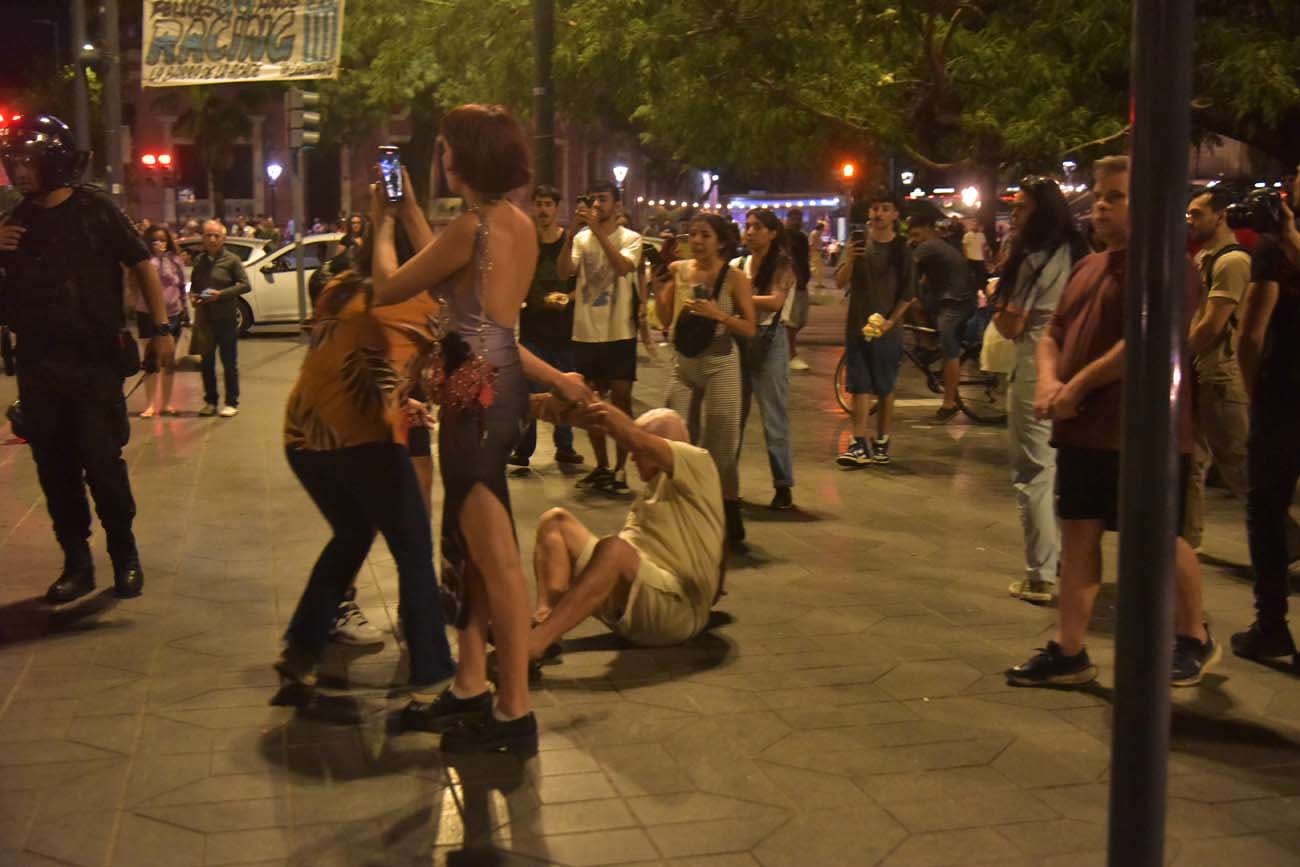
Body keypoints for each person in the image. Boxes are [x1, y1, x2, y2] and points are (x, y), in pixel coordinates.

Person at [369, 104, 591, 755]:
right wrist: (409, 211)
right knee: (470, 553)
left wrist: (382, 227)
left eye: (444, 149)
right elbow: (470, 302)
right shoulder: (512, 224)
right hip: (495, 388)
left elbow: (389, 287)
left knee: (493, 557)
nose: (440, 159)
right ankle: (470, 685)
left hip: (475, 400)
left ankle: (513, 708)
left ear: (464, 158)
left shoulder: (473, 227)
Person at [1005, 155, 1220, 689]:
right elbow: (1052, 331)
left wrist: (1074, 387)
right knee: (1079, 532)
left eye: (1115, 196)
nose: (1100, 204)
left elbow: (1146, 344)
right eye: (1099, 194)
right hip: (1082, 429)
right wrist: (1052, 382)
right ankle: (1069, 649)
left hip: (1143, 430)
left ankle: (1192, 636)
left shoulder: (1168, 266)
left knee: (1160, 537)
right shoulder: (1088, 265)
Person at [0, 113, 176, 603]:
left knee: (103, 465)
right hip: (38, 366)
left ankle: (125, 554)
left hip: (94, 363)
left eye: (28, 161)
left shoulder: (96, 208)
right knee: (54, 470)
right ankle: (77, 562)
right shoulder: (13, 222)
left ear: (55, 161)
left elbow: (141, 261)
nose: (20, 171)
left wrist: (160, 330)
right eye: (13, 161)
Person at [527, 403, 724, 656]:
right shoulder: (658, 484)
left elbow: (634, 437)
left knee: (615, 550)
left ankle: (534, 645)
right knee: (555, 522)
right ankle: (545, 621)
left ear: (660, 447)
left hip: (675, 612)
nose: (632, 457)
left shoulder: (697, 462)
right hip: (640, 594)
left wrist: (583, 401)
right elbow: (720, 535)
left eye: (637, 451)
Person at [999, 177, 1085, 604]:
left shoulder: (1034, 259)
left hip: (1036, 358)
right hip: (1076, 361)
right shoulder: (1081, 254)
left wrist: (995, 304)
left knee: (1033, 471)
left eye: (1022, 208)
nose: (1015, 215)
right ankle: (1069, 564)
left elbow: (1012, 323)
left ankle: (1040, 574)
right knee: (1062, 468)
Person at [654, 213, 756, 547]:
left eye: (705, 235)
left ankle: (728, 510)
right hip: (684, 362)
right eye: (693, 234)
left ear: (722, 241)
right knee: (676, 434)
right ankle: (680, 509)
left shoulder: (735, 278)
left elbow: (750, 328)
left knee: (722, 441)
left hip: (721, 361)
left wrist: (720, 315)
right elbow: (666, 320)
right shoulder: (679, 270)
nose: (696, 241)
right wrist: (662, 290)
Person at [1231, 166, 1300, 662]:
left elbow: (1250, 335)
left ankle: (1272, 625)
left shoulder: (1274, 251)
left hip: (1282, 397)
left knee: (1267, 509)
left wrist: (1257, 394)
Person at [1184, 189, 1264, 553]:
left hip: (1219, 375)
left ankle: (1283, 544)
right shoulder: (1206, 256)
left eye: (1197, 213)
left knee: (1239, 467)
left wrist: (1179, 357)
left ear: (1219, 216)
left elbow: (1211, 325)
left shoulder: (1232, 262)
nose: (1191, 220)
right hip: (1202, 372)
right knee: (1191, 463)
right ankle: (1187, 542)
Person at [557, 180, 644, 494]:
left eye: (603, 200)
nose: (596, 205)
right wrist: (570, 236)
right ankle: (602, 465)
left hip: (619, 330)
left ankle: (621, 468)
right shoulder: (581, 238)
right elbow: (564, 272)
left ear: (617, 205)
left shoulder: (631, 238)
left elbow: (622, 268)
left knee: (621, 401)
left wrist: (597, 232)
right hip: (586, 330)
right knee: (589, 401)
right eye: (592, 199)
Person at [835, 193, 916, 467]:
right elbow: (838, 282)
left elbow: (908, 294)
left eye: (885, 208)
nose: (878, 213)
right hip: (857, 325)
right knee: (859, 386)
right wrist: (849, 258)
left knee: (884, 387)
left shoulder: (901, 249)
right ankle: (858, 443)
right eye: (874, 207)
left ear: (895, 215)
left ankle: (882, 441)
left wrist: (891, 322)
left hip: (887, 330)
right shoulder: (857, 246)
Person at [511, 185, 585, 468]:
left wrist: (568, 298)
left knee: (564, 387)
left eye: (548, 204)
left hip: (563, 329)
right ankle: (523, 449)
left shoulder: (570, 241)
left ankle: (564, 446)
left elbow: (580, 285)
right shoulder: (526, 242)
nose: (542, 209)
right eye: (538, 204)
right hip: (532, 327)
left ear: (556, 208)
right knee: (528, 390)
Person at [736, 208, 796, 510]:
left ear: (772, 233)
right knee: (732, 416)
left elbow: (775, 302)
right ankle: (725, 483)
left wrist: (740, 295)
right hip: (740, 341)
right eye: (747, 226)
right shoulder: (738, 263)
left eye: (757, 227)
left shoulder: (782, 265)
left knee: (774, 416)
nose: (749, 232)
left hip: (770, 342)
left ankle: (783, 485)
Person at [908, 215, 975, 420]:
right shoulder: (938, 246)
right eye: (911, 236)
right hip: (944, 297)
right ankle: (929, 345)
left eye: (917, 234)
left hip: (956, 301)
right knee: (912, 305)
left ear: (929, 230)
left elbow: (907, 266)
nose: (914, 239)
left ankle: (950, 402)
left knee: (949, 348)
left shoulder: (929, 246)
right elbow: (921, 277)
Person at [190, 220, 249, 417]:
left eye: (216, 236)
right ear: (203, 238)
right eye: (208, 235)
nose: (212, 239)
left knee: (229, 362)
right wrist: (194, 296)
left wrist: (221, 295)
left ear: (223, 238)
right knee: (206, 363)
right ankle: (211, 401)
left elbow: (244, 285)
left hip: (226, 318)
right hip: (205, 319)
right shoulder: (199, 261)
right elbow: (195, 285)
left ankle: (231, 402)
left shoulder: (232, 260)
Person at [134, 225, 187, 418]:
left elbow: (181, 286)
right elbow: (141, 282)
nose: (159, 243)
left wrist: (186, 311)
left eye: (163, 239)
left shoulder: (175, 261)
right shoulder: (145, 261)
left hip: (173, 314)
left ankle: (165, 403)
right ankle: (150, 404)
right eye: (154, 240)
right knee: (150, 360)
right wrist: (156, 258)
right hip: (147, 314)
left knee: (169, 360)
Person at [784, 208, 812, 372]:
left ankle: (787, 350)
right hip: (793, 283)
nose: (796, 220)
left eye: (799, 217)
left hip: (802, 284)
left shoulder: (801, 236)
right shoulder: (785, 236)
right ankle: (790, 354)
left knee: (800, 320)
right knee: (792, 322)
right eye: (793, 217)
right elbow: (788, 258)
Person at [962, 221, 989, 288]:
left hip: (980, 259)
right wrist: (965, 258)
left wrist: (985, 259)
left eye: (977, 225)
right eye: (974, 225)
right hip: (970, 259)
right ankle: (972, 289)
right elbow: (964, 248)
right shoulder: (967, 235)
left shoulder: (982, 235)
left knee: (980, 276)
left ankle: (980, 289)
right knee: (970, 276)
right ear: (972, 226)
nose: (975, 226)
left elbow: (983, 248)